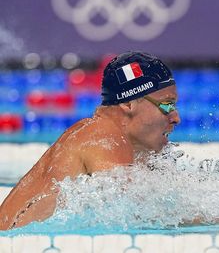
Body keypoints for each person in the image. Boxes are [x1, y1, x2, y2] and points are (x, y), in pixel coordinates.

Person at [0, 51, 180, 230]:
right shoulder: (104, 136)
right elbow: (130, 214)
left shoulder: (98, 133)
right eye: (167, 105)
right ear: (128, 104)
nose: (175, 117)